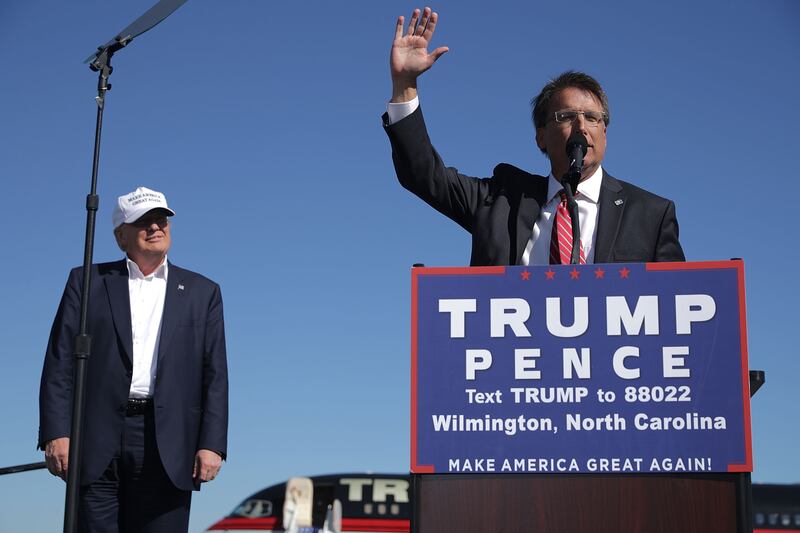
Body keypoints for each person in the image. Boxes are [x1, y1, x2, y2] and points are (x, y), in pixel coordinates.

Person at [383, 8, 685, 266]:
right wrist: (405, 85)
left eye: (592, 118)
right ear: (541, 136)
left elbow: (678, 305)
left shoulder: (650, 214)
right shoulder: (500, 200)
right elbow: (422, 174)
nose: (582, 127)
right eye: (566, 117)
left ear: (604, 132)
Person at [38, 186, 229, 532]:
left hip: (169, 442)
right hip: (94, 438)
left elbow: (214, 374)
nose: (156, 227)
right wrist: (56, 432)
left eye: (162, 220)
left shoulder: (203, 292)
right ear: (120, 235)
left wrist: (212, 443)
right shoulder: (86, 282)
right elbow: (59, 361)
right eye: (143, 221)